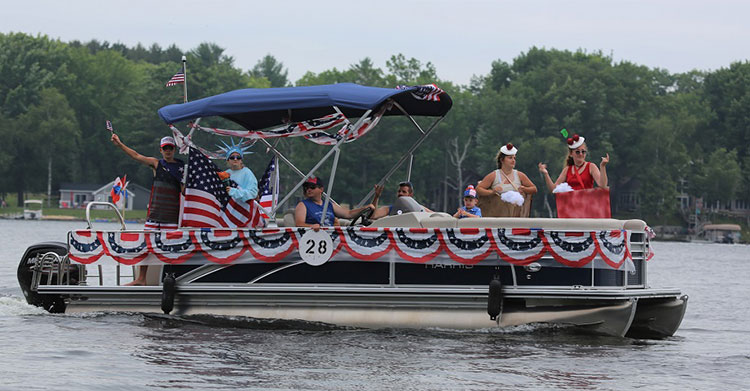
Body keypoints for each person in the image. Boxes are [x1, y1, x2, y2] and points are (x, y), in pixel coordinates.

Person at [111, 133, 184, 286]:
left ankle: (169, 280)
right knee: (146, 247)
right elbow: (136, 156)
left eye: (170, 148)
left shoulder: (181, 167)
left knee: (169, 249)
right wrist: (120, 144)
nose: (168, 151)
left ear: (174, 150)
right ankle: (141, 279)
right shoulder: (157, 164)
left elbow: (184, 191)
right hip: (154, 215)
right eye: (165, 149)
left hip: (171, 216)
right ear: (161, 150)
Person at [294, 176, 375, 230]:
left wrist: (365, 208)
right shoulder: (302, 205)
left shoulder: (329, 205)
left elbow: (348, 214)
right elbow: (299, 224)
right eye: (306, 187)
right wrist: (312, 226)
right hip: (314, 237)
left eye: (312, 187)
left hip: (331, 237)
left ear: (321, 189)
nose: (309, 190)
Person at [537, 133, 609, 192]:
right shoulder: (567, 170)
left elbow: (603, 185)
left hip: (587, 204)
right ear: (571, 154)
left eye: (583, 151)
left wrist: (602, 166)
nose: (581, 154)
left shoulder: (591, 166)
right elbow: (553, 189)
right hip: (572, 206)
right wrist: (546, 173)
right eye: (577, 152)